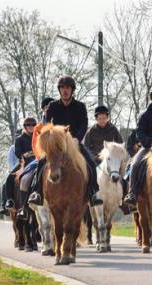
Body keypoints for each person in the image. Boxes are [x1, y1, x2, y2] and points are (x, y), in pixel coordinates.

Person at [28, 76, 102, 207]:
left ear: (72, 90)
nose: (65, 91)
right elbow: (47, 124)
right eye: (62, 88)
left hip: (73, 143)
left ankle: (93, 192)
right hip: (56, 145)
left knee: (90, 162)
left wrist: (76, 139)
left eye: (67, 88)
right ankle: (37, 192)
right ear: (59, 90)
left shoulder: (80, 106)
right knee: (41, 163)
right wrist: (53, 137)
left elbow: (83, 125)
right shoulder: (52, 106)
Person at [0, 117, 37, 216]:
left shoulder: (38, 137)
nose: (31, 127)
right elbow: (17, 152)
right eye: (29, 125)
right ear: (25, 126)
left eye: (33, 124)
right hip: (24, 162)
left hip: (37, 161)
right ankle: (9, 201)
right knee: (9, 177)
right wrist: (25, 155)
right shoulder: (19, 139)